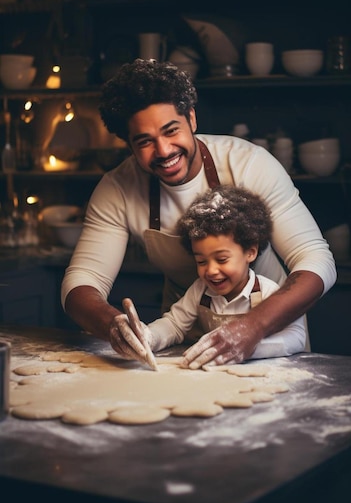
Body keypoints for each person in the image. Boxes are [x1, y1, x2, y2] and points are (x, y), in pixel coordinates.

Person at [61, 58, 336, 368]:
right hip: (182, 344)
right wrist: (113, 324)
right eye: (145, 142)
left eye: (171, 131)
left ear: (191, 118)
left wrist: (254, 326)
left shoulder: (249, 164)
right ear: (129, 144)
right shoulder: (117, 188)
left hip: (269, 335)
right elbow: (80, 283)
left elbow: (316, 260)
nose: (163, 151)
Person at [112, 185, 306, 367]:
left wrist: (248, 348)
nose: (211, 270)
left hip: (261, 377)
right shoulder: (200, 290)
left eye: (222, 259)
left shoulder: (269, 292)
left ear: (250, 252)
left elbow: (296, 337)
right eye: (201, 261)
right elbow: (174, 324)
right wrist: (149, 337)